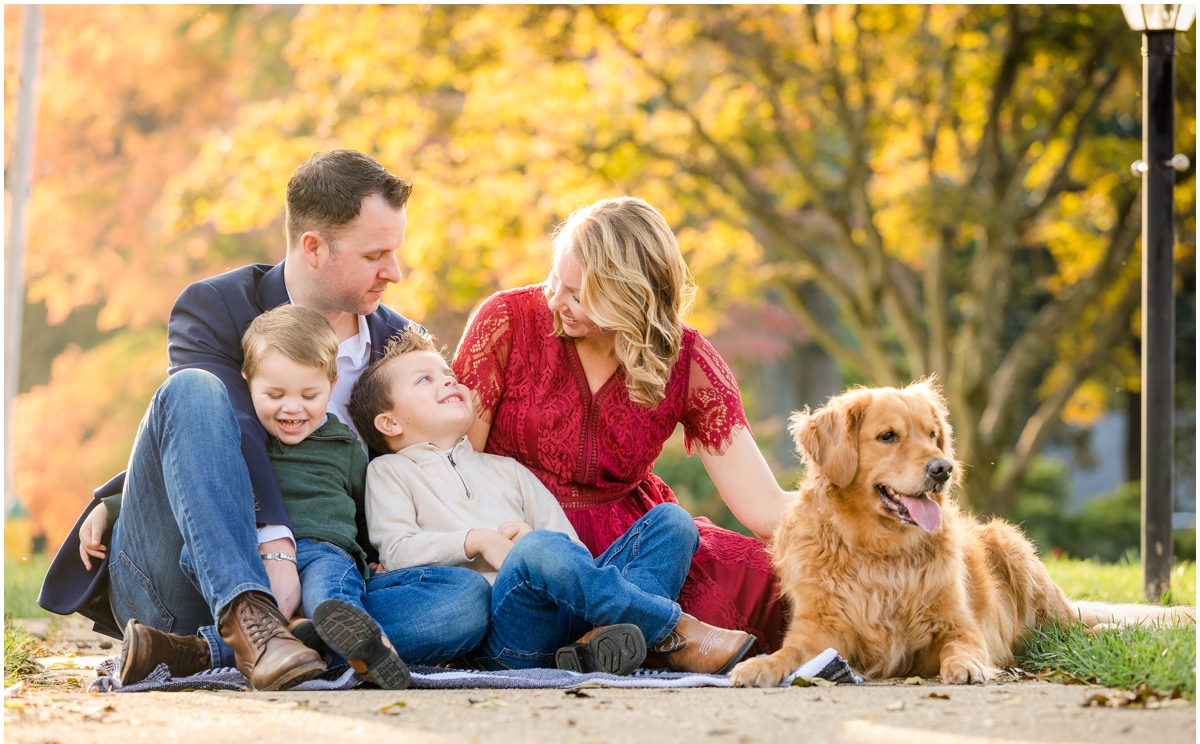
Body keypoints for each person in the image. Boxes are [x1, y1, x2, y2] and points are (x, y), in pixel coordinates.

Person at [39, 149, 490, 691]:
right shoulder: (216, 307)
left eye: (394, 252)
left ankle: (198, 653)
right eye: (376, 255)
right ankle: (247, 619)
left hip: (330, 579)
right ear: (314, 247)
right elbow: (220, 430)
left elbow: (416, 468)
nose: (393, 272)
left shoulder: (401, 346)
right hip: (189, 579)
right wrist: (271, 543)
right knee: (192, 388)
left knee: (465, 603)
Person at [452, 196, 794, 655]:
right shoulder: (507, 322)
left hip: (635, 553)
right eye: (556, 279)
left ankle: (611, 640)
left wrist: (873, 516)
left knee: (794, 588)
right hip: (525, 545)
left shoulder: (686, 359)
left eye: (578, 295)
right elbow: (455, 464)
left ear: (631, 301)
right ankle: (663, 633)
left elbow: (766, 507)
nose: (555, 300)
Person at [349, 326, 757, 675]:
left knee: (671, 521)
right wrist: (475, 540)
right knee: (537, 548)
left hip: (568, 620)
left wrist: (531, 540)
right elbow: (399, 550)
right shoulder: (389, 473)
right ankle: (671, 629)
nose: (448, 382)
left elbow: (571, 551)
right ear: (389, 422)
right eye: (425, 380)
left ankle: (596, 643)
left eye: (449, 375)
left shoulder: (505, 468)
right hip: (508, 635)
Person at [237, 305, 410, 689]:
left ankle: (372, 650)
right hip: (255, 551)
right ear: (247, 380)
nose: (292, 408)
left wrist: (374, 554)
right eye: (275, 394)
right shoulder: (243, 438)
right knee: (251, 609)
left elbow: (366, 506)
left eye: (309, 394)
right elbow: (187, 482)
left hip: (325, 550)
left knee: (329, 597)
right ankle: (297, 637)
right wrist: (109, 509)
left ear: (332, 384)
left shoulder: (343, 444)